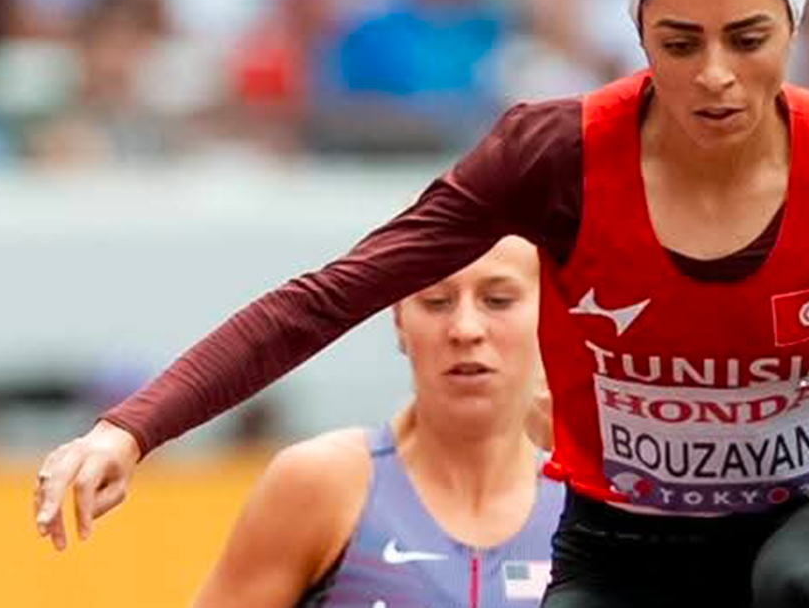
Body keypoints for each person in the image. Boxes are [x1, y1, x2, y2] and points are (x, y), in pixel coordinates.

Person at [34, 0, 809, 605]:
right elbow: (334, 295)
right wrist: (133, 424)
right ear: (638, 32)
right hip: (620, 543)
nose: (716, 75)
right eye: (679, 43)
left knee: (804, 585)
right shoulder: (552, 154)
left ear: (794, 27)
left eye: (748, 38)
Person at [190, 236, 563, 608]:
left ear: (551, 314)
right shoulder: (320, 485)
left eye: (498, 300)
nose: (465, 329)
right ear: (399, 317)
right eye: (436, 301)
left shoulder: (586, 508)